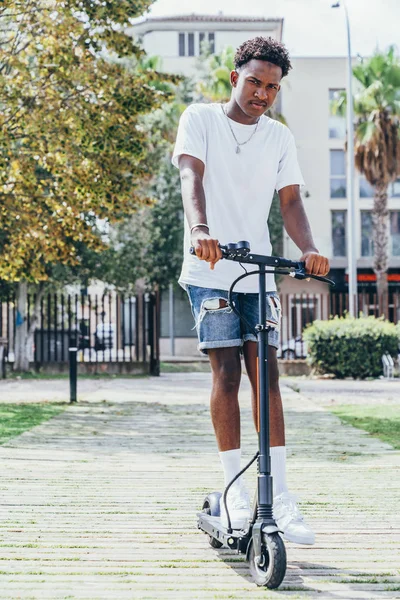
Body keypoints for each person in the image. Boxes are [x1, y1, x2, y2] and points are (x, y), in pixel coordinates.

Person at [172, 36, 329, 545]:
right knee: (227, 375)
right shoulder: (201, 119)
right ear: (235, 76)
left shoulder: (279, 138)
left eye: (272, 87)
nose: (262, 93)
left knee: (267, 376)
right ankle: (235, 488)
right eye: (255, 81)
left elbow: (290, 203)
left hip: (256, 272)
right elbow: (191, 177)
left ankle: (279, 493)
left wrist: (308, 249)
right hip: (210, 270)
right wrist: (200, 232)